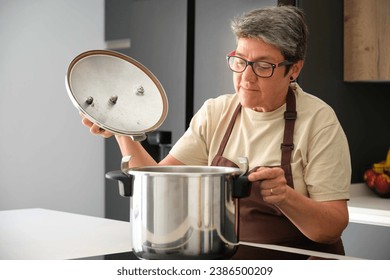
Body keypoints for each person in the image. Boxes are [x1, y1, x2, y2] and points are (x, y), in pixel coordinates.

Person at [81, 5, 351, 259]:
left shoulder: (319, 122)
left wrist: (286, 197)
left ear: (294, 69)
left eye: (263, 65)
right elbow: (161, 189)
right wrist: (120, 127)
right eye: (240, 60)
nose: (246, 77)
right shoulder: (216, 112)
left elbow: (331, 227)